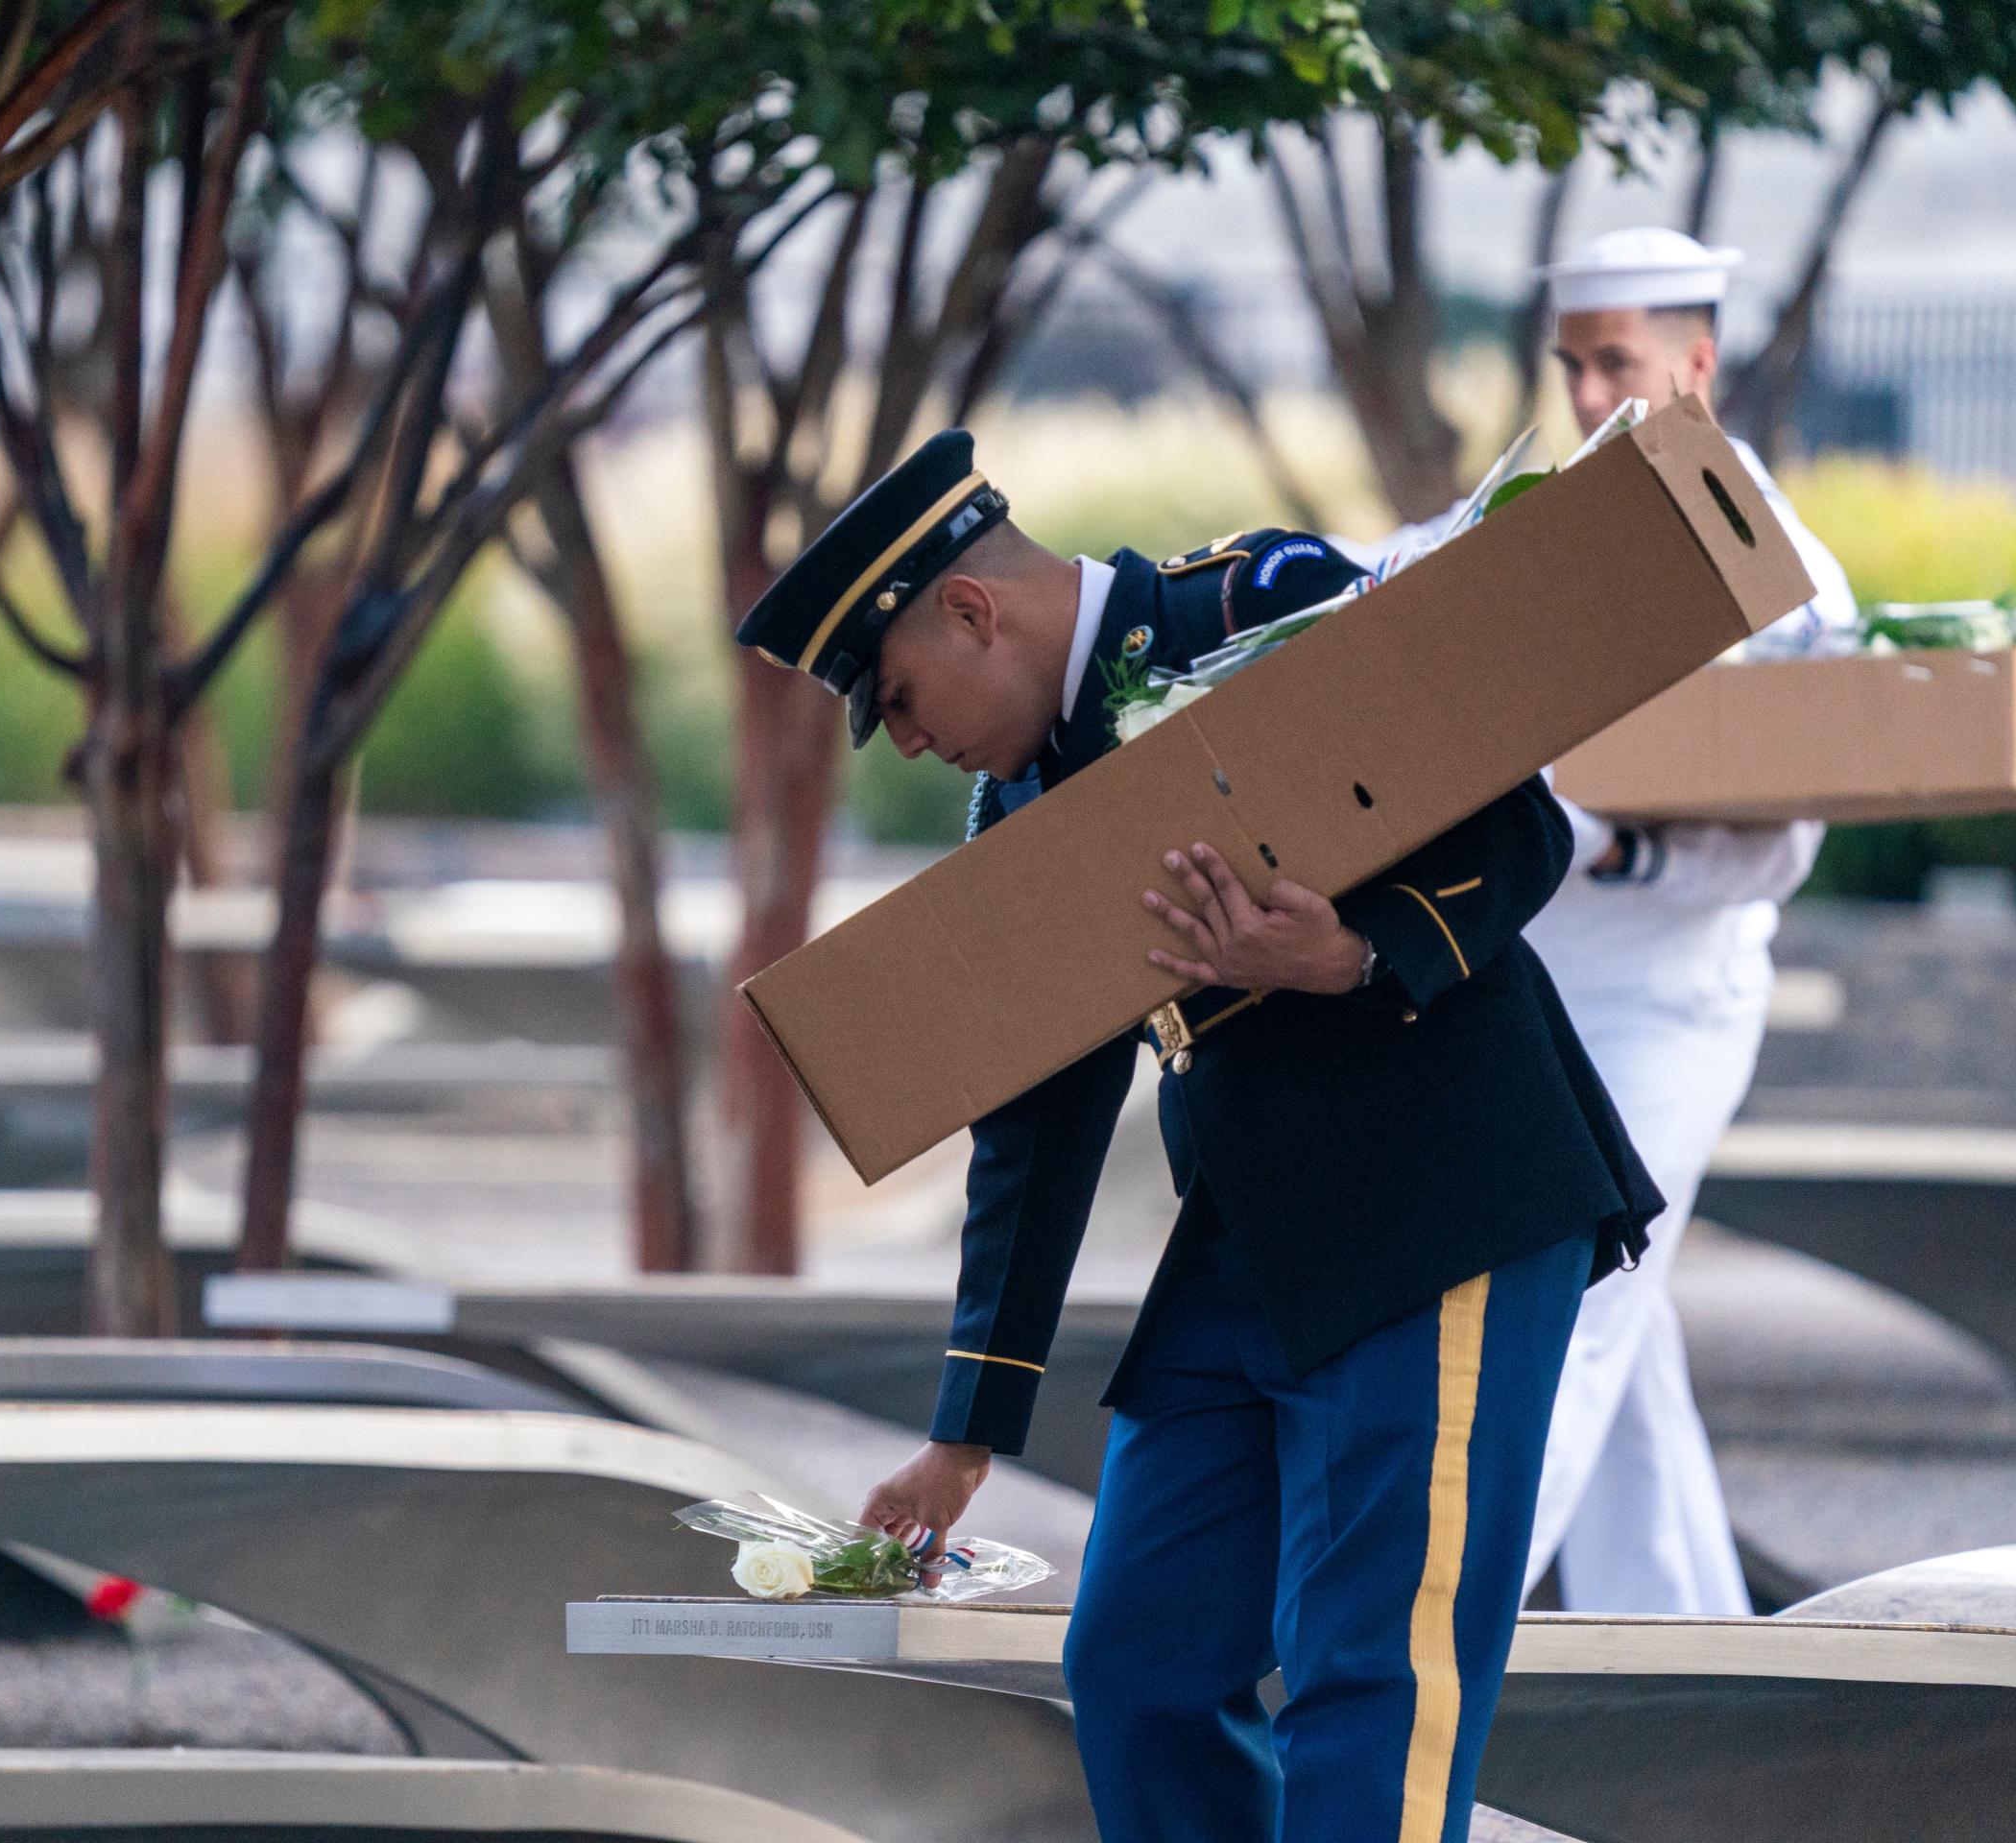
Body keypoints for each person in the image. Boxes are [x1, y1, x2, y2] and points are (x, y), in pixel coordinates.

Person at [735, 428, 1662, 1843]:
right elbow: (1036, 1115)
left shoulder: (1263, 604)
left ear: (975, 611)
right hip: (1249, 1245)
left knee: (1372, 1676)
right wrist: (964, 1438)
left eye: (905, 696)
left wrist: (1350, 953)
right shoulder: (1020, 801)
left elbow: (1524, 824)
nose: (909, 739)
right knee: (1139, 1665)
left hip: (1437, 1195)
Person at [1350, 227, 1860, 1617]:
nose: (1585, 395)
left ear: (1696, 367)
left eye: (1615, 363)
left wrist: (1617, 843)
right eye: (1572, 363)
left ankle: (1413, 1657)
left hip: (1666, 1006)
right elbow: (1374, 583)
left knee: (1558, 1318)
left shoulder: (1785, 578)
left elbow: (1779, 847)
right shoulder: (1520, 528)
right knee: (1623, 1360)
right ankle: (1704, 1675)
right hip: (1526, 999)